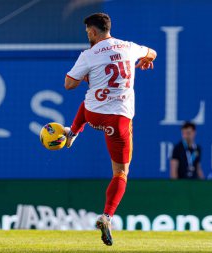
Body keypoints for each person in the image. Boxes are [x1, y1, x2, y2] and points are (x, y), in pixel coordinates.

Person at [63, 13, 157, 246]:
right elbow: (152, 52)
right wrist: (145, 59)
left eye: (87, 33)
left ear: (93, 32)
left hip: (95, 116)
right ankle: (106, 216)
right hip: (119, 121)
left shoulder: (89, 54)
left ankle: (73, 133)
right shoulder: (130, 47)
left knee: (89, 100)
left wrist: (85, 74)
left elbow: (69, 84)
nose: (88, 36)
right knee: (120, 173)